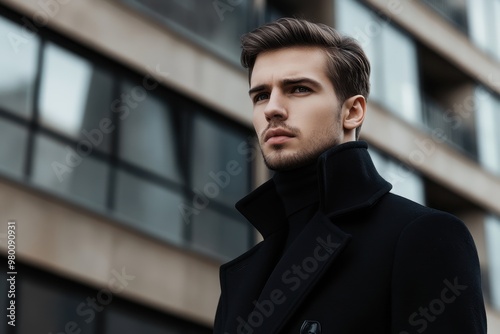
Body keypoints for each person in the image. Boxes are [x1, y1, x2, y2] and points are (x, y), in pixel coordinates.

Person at [213, 18, 487, 334]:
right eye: (260, 95)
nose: (272, 109)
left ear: (353, 112)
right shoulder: (244, 275)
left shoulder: (421, 236)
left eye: (299, 89)